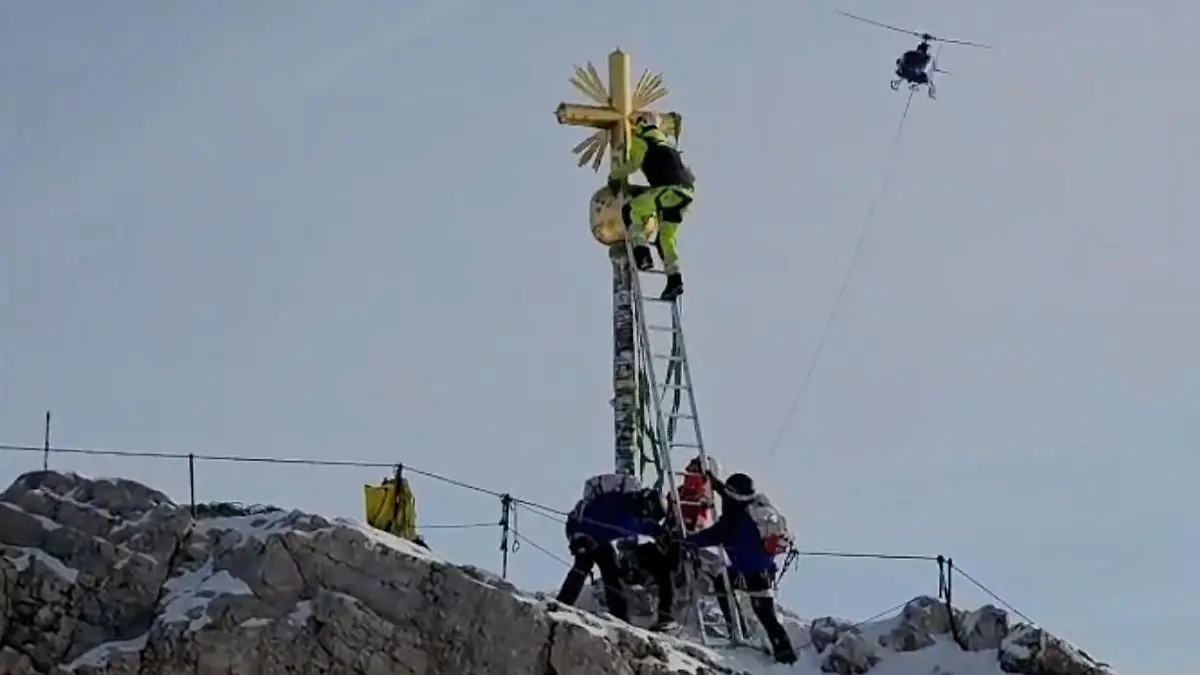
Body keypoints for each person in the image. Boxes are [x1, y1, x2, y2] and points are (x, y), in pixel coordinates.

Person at [682, 472, 797, 665]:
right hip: (765, 570)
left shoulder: (733, 522)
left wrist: (685, 541)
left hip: (750, 575)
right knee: (764, 612)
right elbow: (729, 497)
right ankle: (781, 653)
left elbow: (710, 536)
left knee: (764, 615)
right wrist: (714, 481)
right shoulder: (754, 508)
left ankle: (785, 659)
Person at [555, 474, 680, 631]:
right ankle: (562, 604)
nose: (643, 516)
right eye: (645, 512)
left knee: (611, 571)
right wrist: (577, 537)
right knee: (585, 563)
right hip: (583, 530)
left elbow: (657, 531)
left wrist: (670, 540)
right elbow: (582, 511)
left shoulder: (639, 517)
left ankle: (620, 618)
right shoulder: (616, 501)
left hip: (598, 537)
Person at [606, 111, 696, 301]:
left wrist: (615, 177)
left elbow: (633, 163)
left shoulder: (643, 138)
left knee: (631, 210)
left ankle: (642, 254)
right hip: (684, 194)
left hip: (669, 191)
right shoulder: (665, 142)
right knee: (666, 238)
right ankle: (674, 280)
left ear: (642, 123)